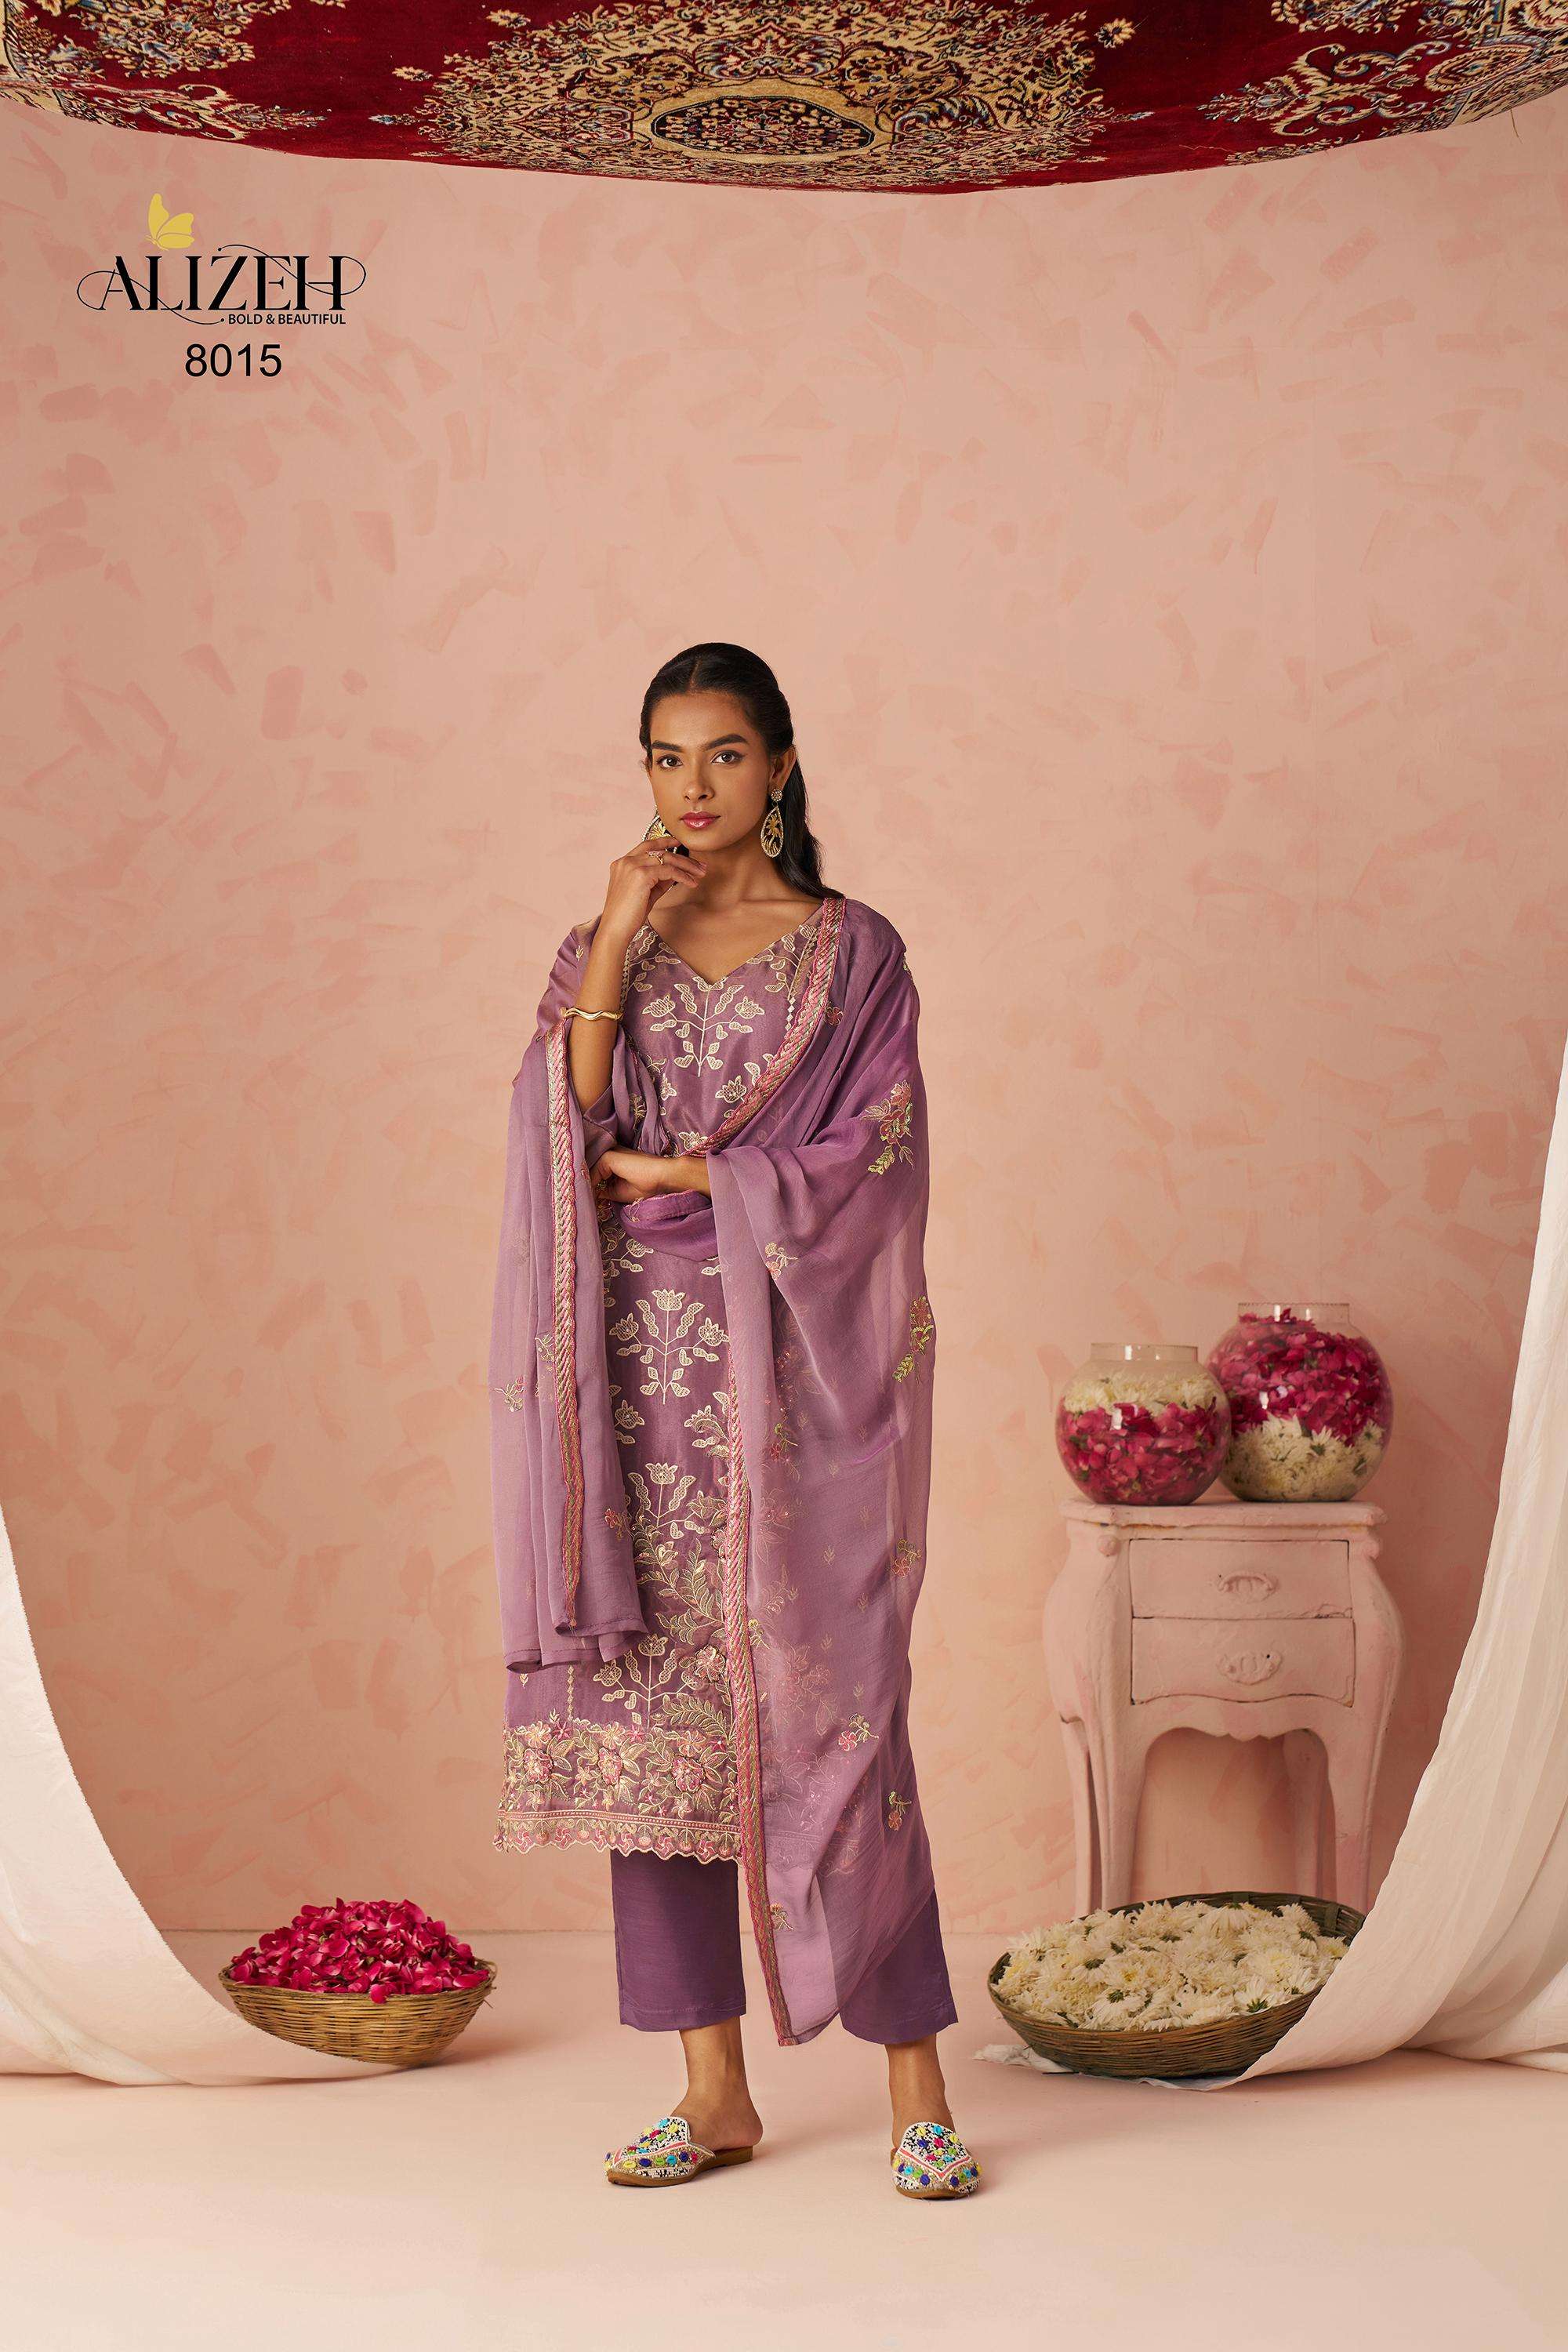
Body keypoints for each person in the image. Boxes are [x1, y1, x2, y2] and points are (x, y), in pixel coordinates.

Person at [488, 641, 980, 2201]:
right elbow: (562, 1126)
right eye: (663, 756)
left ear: (779, 766)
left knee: (839, 1713)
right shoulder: (605, 945)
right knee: (654, 1736)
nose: (689, 787)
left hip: (795, 1391)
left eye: (720, 755)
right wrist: (616, 935)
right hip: (631, 1389)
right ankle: (712, 2094)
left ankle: (917, 2086)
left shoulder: (853, 953)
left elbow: (878, 1152)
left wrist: (701, 1177)